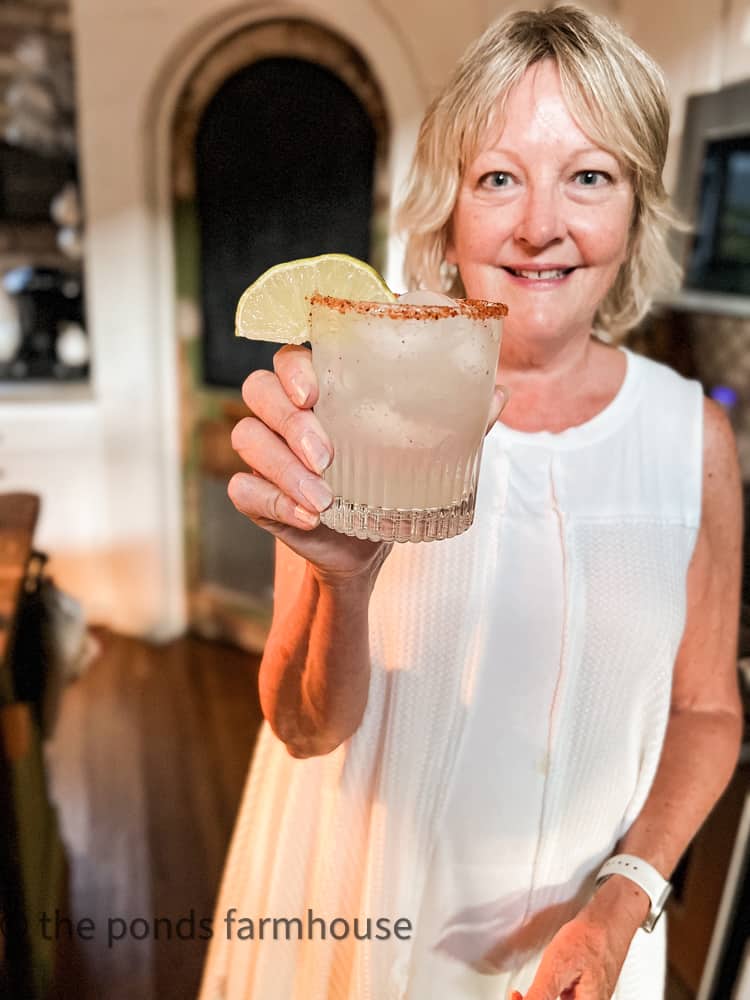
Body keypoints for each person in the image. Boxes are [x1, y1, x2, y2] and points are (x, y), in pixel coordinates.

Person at [199, 6, 743, 999]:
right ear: (448, 205)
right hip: (361, 918)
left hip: (583, 948)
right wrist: (345, 585)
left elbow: (708, 708)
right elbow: (304, 726)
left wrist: (625, 898)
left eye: (590, 174)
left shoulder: (691, 440)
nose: (541, 224)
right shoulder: (359, 393)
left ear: (637, 205)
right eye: (499, 176)